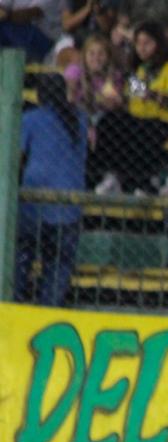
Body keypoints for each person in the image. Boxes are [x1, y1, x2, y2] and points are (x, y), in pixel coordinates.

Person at [16, 73, 88, 307]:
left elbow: (15, 158)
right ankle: (48, 310)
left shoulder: (31, 119)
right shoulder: (80, 119)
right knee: (58, 265)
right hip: (69, 208)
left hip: (33, 206)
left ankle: (13, 305)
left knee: (21, 258)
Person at [92, 20, 168, 194]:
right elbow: (130, 95)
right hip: (136, 117)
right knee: (108, 122)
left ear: (158, 44)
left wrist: (153, 95)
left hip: (160, 121)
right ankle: (111, 176)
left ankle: (144, 183)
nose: (142, 48)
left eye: (147, 43)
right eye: (138, 43)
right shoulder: (139, 70)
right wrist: (117, 99)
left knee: (140, 132)